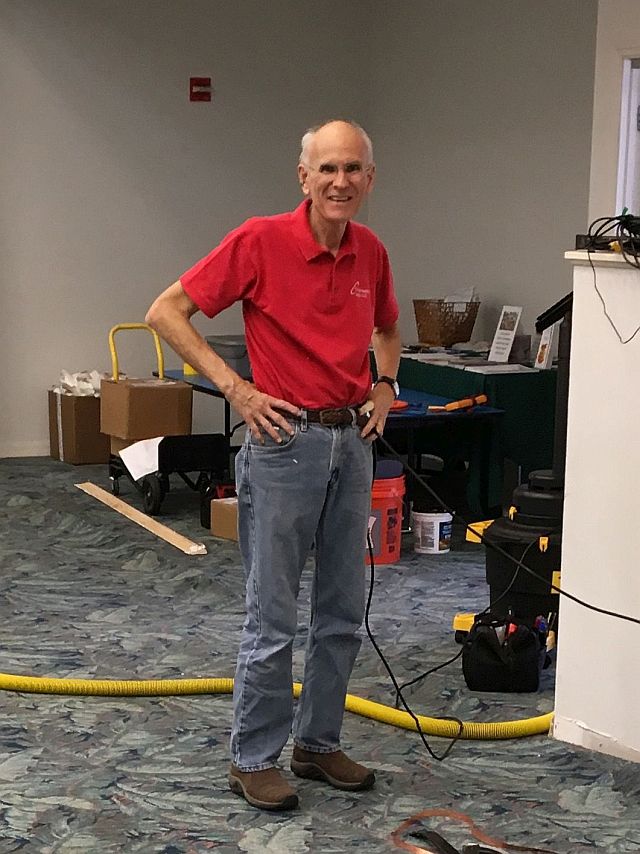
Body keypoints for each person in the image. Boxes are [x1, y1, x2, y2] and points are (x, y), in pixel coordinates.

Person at [145, 119, 401, 811]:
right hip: (284, 444)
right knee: (274, 616)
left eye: (353, 169)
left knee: (343, 610)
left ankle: (317, 745)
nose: (340, 181)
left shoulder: (371, 251)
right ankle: (252, 757)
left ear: (369, 179)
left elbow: (385, 328)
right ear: (304, 178)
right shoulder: (259, 241)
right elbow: (165, 313)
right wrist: (236, 388)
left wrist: (385, 385)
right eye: (328, 170)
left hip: (352, 444)